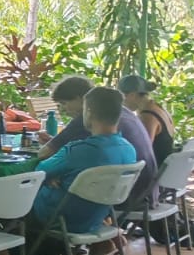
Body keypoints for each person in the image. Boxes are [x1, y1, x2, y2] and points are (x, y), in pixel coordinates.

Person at [28, 86, 138, 242]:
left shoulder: (78, 151)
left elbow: (40, 171)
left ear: (89, 112)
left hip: (59, 218)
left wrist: (51, 176)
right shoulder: (128, 149)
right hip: (98, 218)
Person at [36, 74, 156, 201]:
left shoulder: (88, 117)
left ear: (81, 100)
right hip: (142, 190)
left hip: (121, 196)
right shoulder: (118, 110)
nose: (63, 110)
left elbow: (43, 154)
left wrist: (53, 172)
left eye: (64, 104)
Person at [118, 74, 175, 164]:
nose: (122, 103)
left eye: (122, 98)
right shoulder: (158, 108)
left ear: (132, 95)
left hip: (156, 171)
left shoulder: (148, 116)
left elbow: (142, 151)